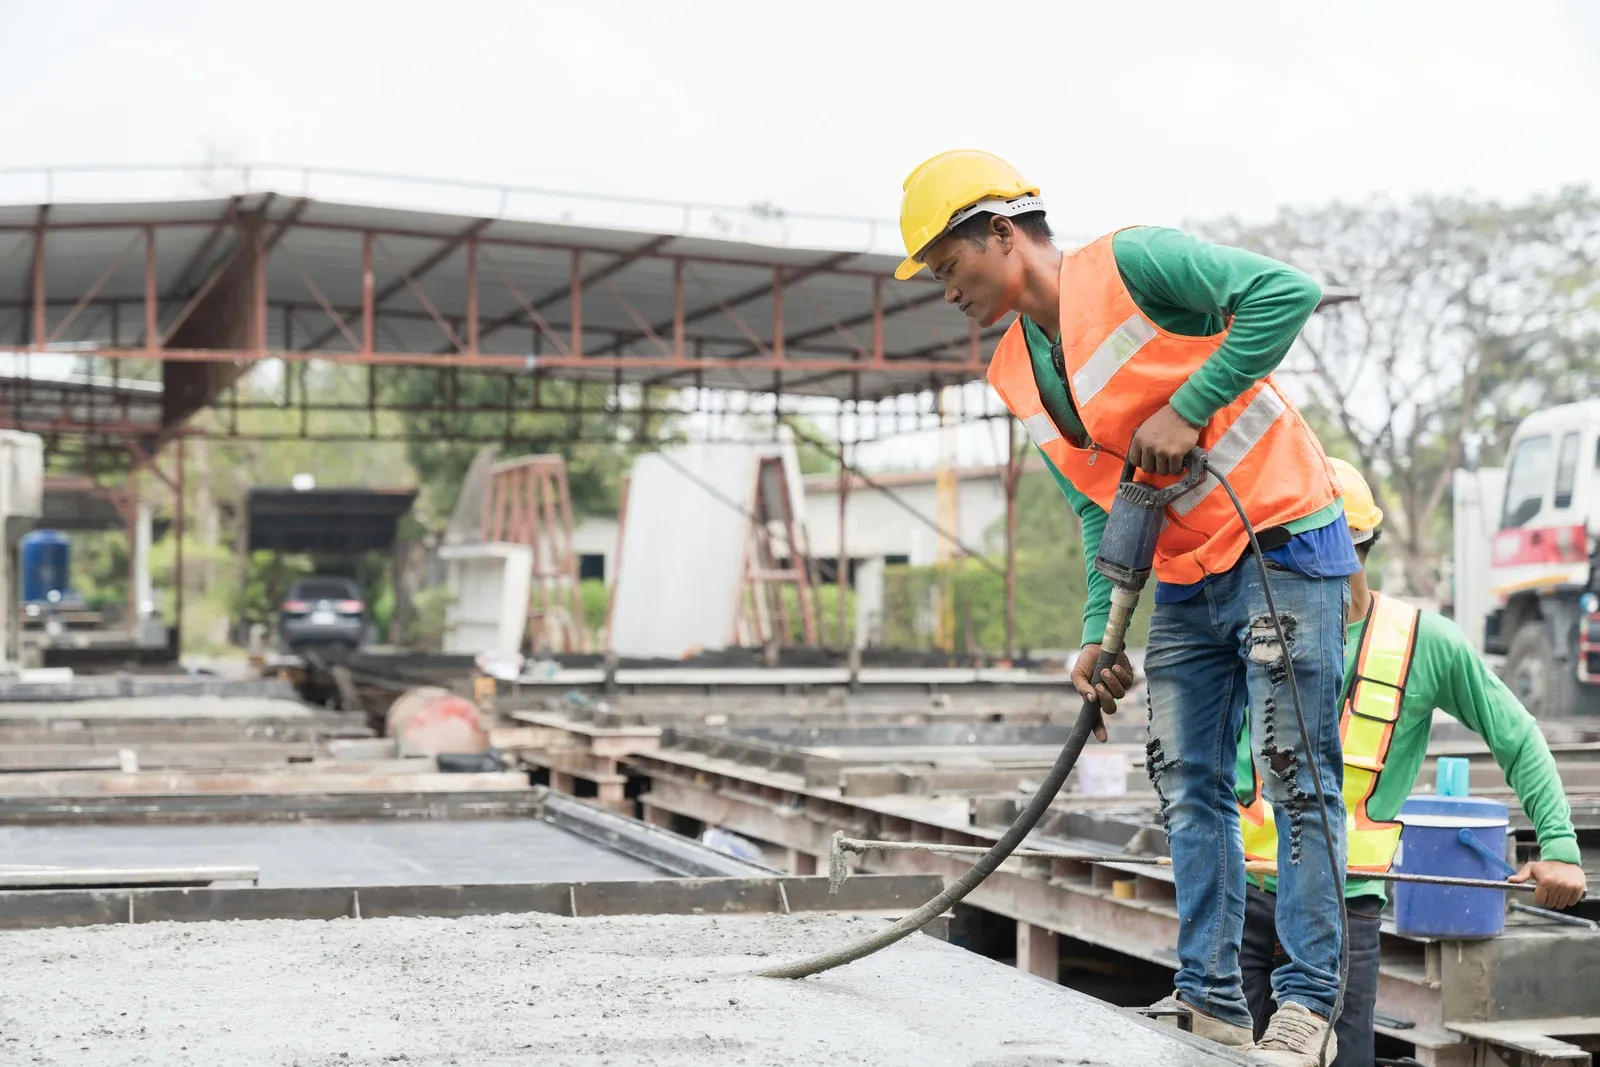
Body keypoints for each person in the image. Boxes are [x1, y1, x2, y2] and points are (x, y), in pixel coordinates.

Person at [895, 149, 1359, 1066]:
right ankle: (1212, 1001)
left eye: (952, 267)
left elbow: (1286, 292)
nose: (950, 291)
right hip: (1186, 577)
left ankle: (1305, 1005)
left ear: (1002, 231)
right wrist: (1094, 633)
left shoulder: (1133, 262)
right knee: (1190, 784)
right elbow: (1092, 502)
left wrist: (1190, 406)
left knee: (1296, 773)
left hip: (1281, 541)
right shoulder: (1013, 370)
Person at [1237, 457, 1587, 1067]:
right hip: (1241, 899)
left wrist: (1557, 846)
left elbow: (1517, 737)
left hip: (1345, 909)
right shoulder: (1248, 623)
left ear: (1348, 549)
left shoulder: (1425, 643)